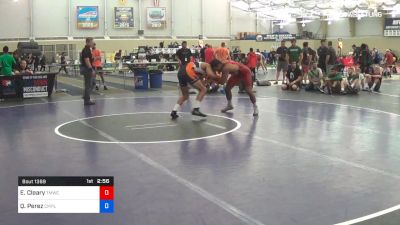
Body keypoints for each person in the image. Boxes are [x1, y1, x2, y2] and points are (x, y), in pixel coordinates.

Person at [80, 37, 96, 106]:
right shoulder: (86, 50)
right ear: (88, 42)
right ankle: (87, 100)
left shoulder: (88, 50)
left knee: (92, 83)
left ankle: (86, 96)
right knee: (88, 85)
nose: (93, 43)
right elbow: (87, 60)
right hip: (87, 69)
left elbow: (89, 59)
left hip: (87, 68)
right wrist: (91, 69)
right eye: (92, 42)